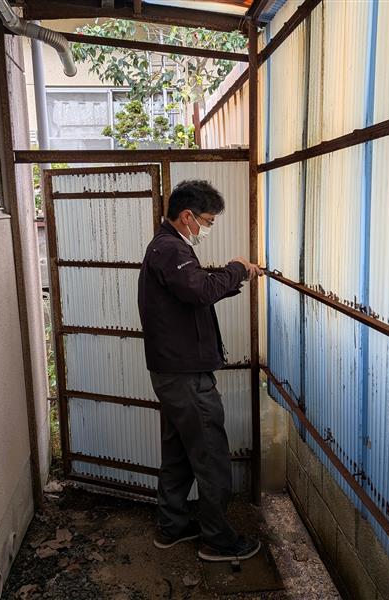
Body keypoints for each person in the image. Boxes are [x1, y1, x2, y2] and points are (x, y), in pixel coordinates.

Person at [137, 179, 264, 562]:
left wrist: (233, 276)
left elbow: (194, 291)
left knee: (179, 453)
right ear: (187, 216)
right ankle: (218, 541)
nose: (208, 227)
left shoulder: (167, 247)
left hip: (174, 370)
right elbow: (199, 291)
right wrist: (236, 269)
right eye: (207, 221)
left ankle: (172, 526)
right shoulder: (170, 248)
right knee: (211, 455)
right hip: (186, 375)